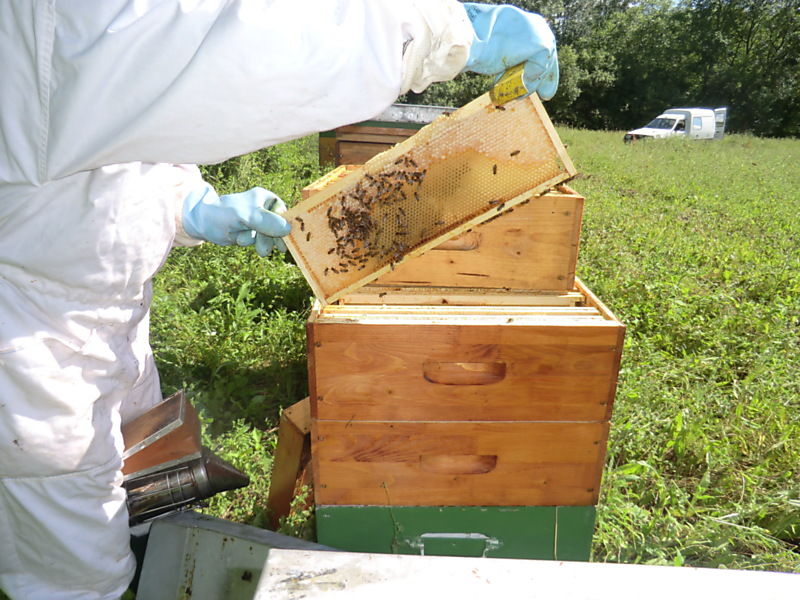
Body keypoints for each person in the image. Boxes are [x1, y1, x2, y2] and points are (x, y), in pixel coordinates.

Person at [0, 1, 558, 598]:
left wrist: (186, 206)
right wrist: (441, 30)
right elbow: (233, 47)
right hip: (29, 350)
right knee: (76, 567)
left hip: (98, 310)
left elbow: (110, 142)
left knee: (138, 480)